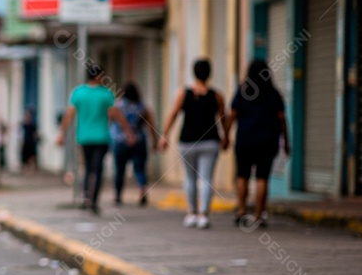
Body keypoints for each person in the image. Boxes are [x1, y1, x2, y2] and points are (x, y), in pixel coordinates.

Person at [56, 64, 136, 215]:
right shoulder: (105, 94)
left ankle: (86, 195)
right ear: (99, 77)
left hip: (84, 137)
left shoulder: (78, 93)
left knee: (87, 168)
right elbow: (116, 115)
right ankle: (94, 200)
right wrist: (128, 132)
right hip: (101, 137)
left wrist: (61, 133)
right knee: (98, 168)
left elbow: (69, 115)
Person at [159, 58, 228, 229]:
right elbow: (223, 118)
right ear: (209, 73)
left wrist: (164, 135)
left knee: (189, 179)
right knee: (206, 179)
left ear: (194, 72)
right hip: (210, 142)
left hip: (187, 141)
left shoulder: (183, 93)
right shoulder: (217, 95)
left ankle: (192, 213)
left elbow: (173, 114)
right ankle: (204, 214)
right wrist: (226, 136)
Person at [223, 60, 290, 228]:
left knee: (242, 175)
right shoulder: (274, 93)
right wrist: (286, 141)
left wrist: (225, 136)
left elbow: (232, 115)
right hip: (268, 141)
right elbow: (282, 119)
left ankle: (241, 211)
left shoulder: (243, 91)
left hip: (245, 140)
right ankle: (259, 215)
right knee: (262, 177)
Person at [111, 83, 158, 206]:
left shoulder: (118, 105)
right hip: (139, 141)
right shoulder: (142, 107)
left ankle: (118, 195)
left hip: (121, 141)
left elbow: (110, 121)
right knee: (140, 168)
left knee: (120, 170)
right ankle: (142, 190)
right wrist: (154, 141)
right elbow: (151, 125)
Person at [20, 107, 39, 172]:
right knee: (25, 156)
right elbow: (21, 134)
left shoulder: (32, 125)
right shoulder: (23, 125)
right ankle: (27, 168)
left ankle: (33, 168)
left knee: (32, 156)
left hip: (31, 142)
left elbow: (35, 133)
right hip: (26, 142)